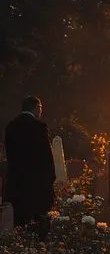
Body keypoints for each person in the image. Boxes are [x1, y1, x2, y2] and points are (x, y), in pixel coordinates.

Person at [4, 96, 56, 239]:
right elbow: (47, 157)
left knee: (20, 222)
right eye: (40, 108)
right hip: (37, 183)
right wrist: (51, 179)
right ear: (36, 107)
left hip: (18, 182)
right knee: (40, 223)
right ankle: (39, 250)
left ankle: (21, 250)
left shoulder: (11, 127)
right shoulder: (39, 127)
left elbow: (10, 155)